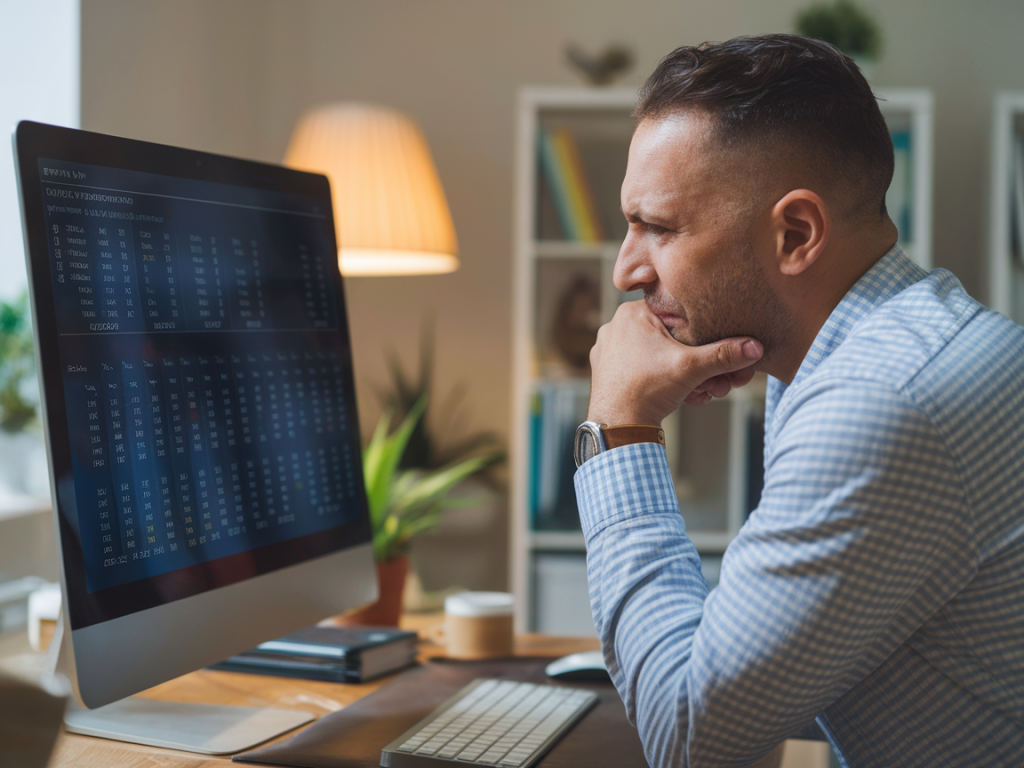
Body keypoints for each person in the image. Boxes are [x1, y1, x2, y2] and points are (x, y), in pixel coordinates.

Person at [574, 34, 1024, 767]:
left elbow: (687, 734)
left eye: (657, 227)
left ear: (796, 233)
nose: (626, 269)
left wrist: (618, 427)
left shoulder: (879, 404)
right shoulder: (904, 341)